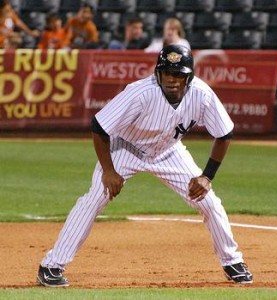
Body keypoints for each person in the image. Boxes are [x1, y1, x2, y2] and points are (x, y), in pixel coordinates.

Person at [36, 44, 253, 287]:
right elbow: (99, 126)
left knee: (209, 202)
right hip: (124, 149)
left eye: (178, 74)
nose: (172, 80)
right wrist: (109, 170)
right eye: (167, 73)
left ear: (189, 77)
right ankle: (51, 265)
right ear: (158, 74)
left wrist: (207, 176)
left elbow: (225, 133)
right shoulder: (140, 93)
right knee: (94, 198)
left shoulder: (201, 94)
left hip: (168, 152)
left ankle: (232, 261)